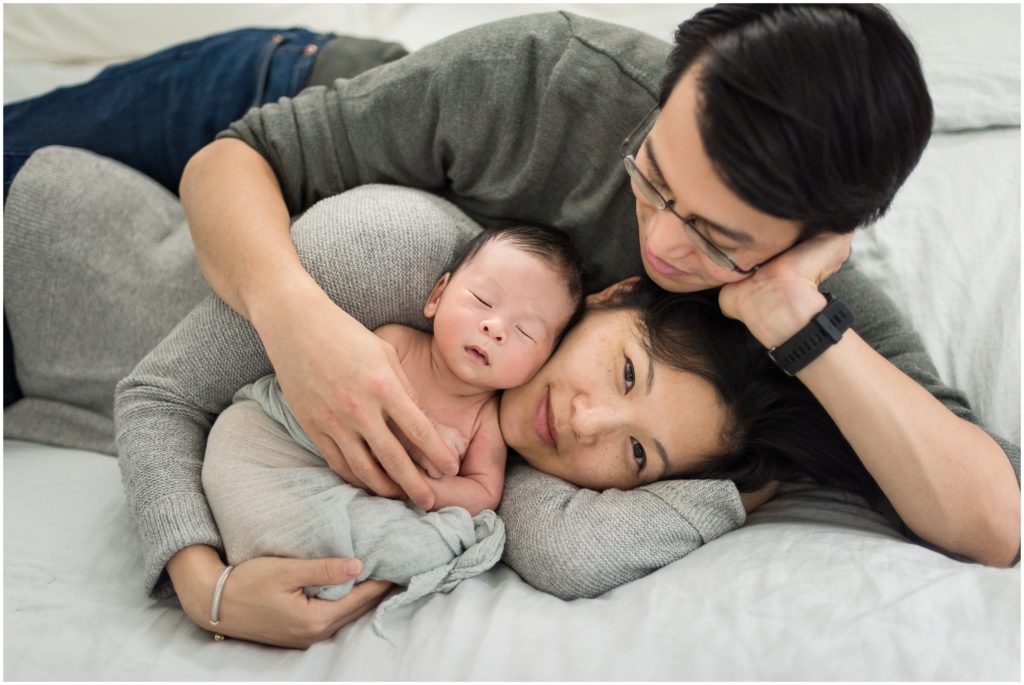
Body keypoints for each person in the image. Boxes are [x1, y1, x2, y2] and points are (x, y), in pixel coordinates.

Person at [3, 4, 1019, 648]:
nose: (659, 240)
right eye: (653, 179)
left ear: (816, 238)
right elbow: (236, 161)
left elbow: (991, 519)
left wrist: (789, 309)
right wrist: (298, 326)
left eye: (716, 236)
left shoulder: (799, 306)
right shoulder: (549, 76)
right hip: (264, 107)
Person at [233, 222, 586, 515]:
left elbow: (483, 492)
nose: (495, 328)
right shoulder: (397, 345)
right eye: (482, 300)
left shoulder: (485, 420)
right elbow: (347, 396)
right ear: (436, 298)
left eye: (525, 332)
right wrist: (423, 436)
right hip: (311, 457)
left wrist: (421, 487)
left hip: (375, 504)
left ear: (540, 364)